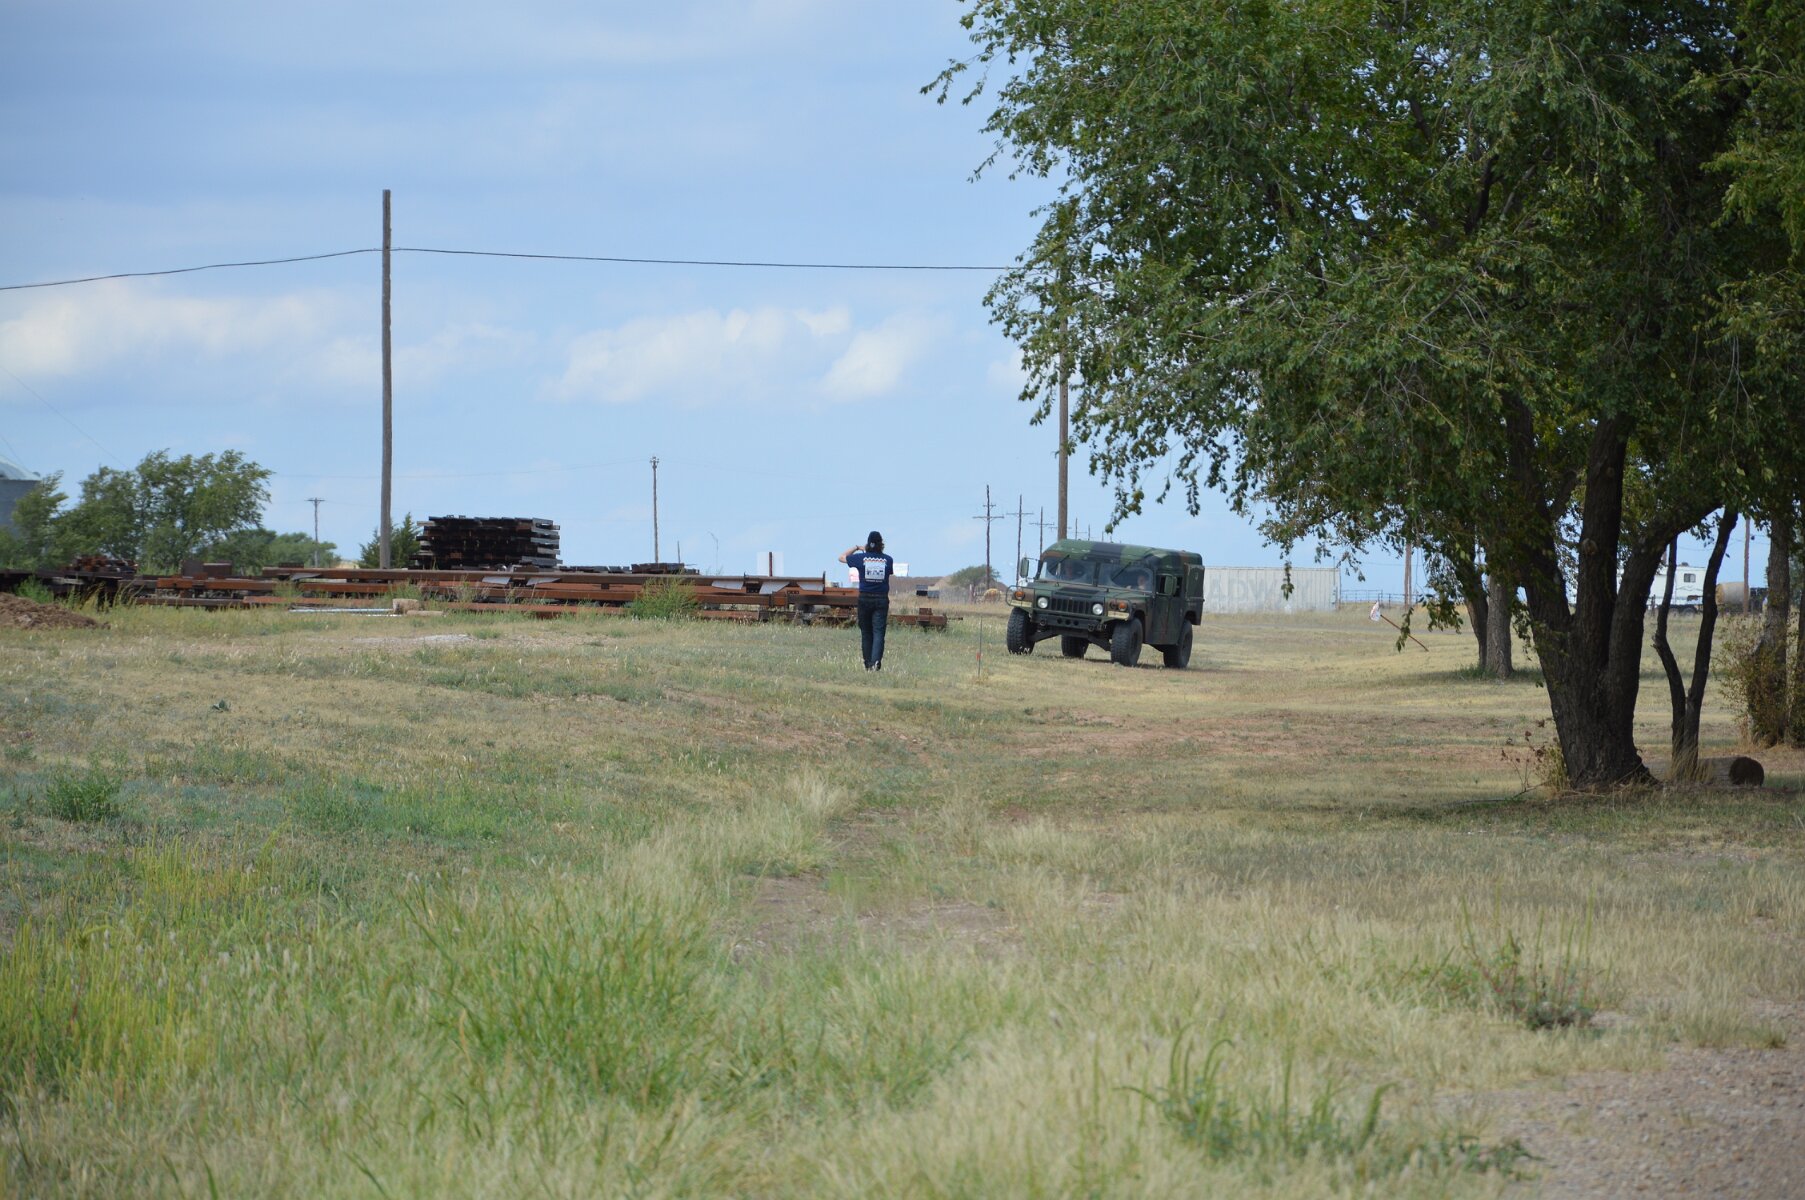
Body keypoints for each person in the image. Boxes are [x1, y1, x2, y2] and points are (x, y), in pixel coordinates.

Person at [839, 531, 895, 670]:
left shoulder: (861, 558)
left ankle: (868, 664)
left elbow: (841, 557)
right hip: (881, 599)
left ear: (868, 544)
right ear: (881, 544)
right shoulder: (888, 560)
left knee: (866, 632)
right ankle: (876, 663)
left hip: (864, 598)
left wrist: (857, 547)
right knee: (878, 632)